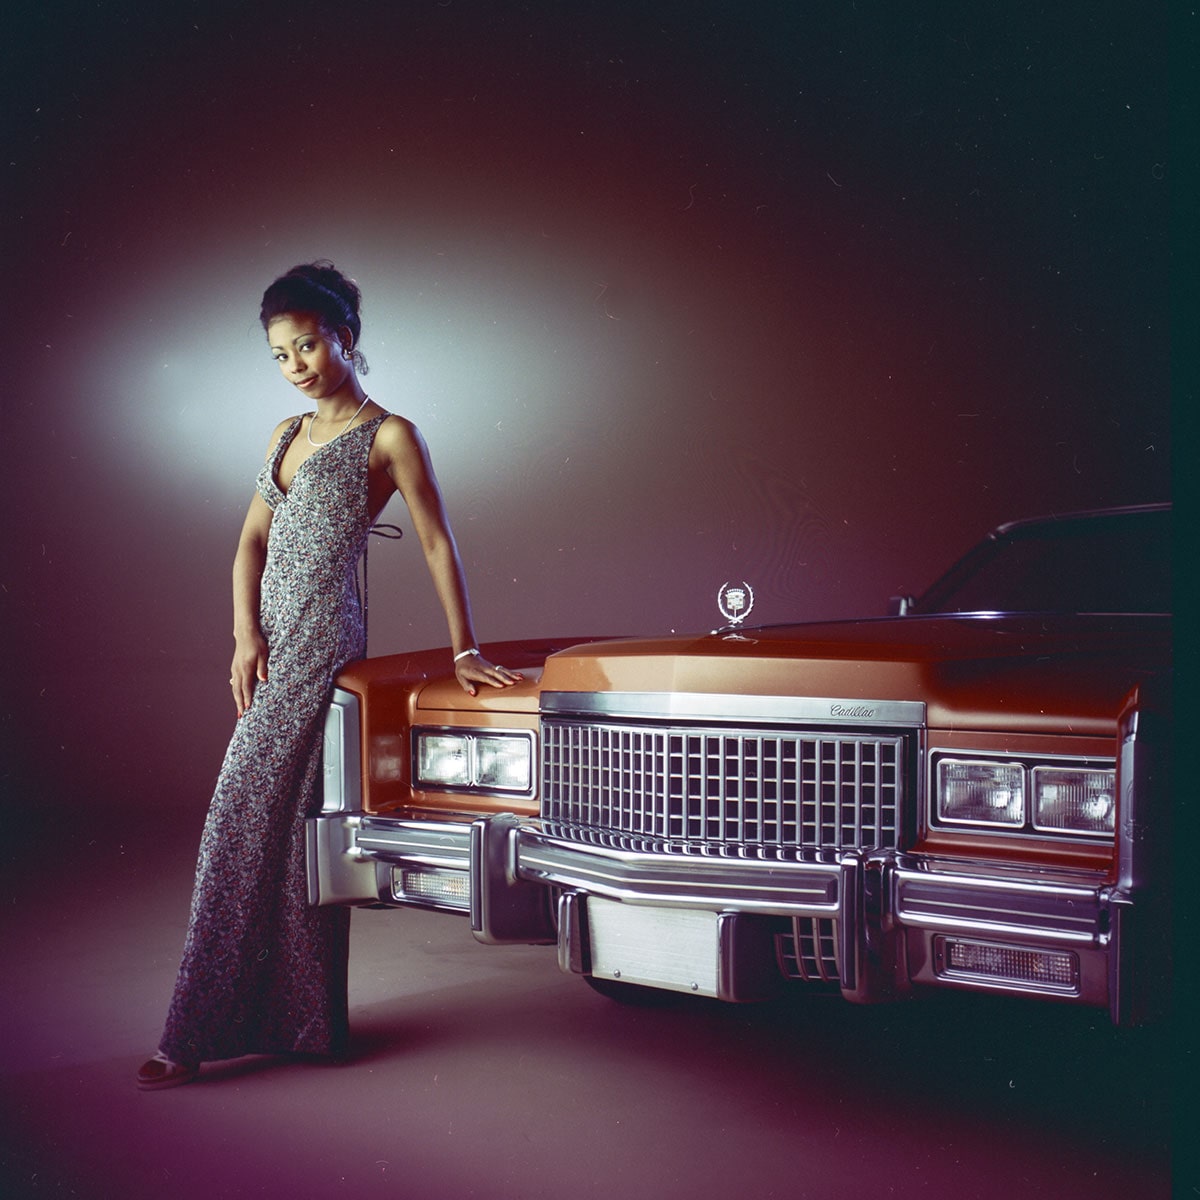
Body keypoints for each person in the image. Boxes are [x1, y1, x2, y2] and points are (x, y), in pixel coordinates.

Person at [136, 262, 520, 1090]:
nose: (296, 364)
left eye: (307, 344)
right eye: (279, 354)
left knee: (239, 829)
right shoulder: (283, 434)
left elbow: (436, 542)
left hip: (321, 648)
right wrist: (243, 635)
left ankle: (188, 1036)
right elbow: (249, 542)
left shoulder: (389, 436)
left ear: (344, 337)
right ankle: (302, 1026)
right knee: (279, 836)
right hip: (273, 649)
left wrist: (464, 649)